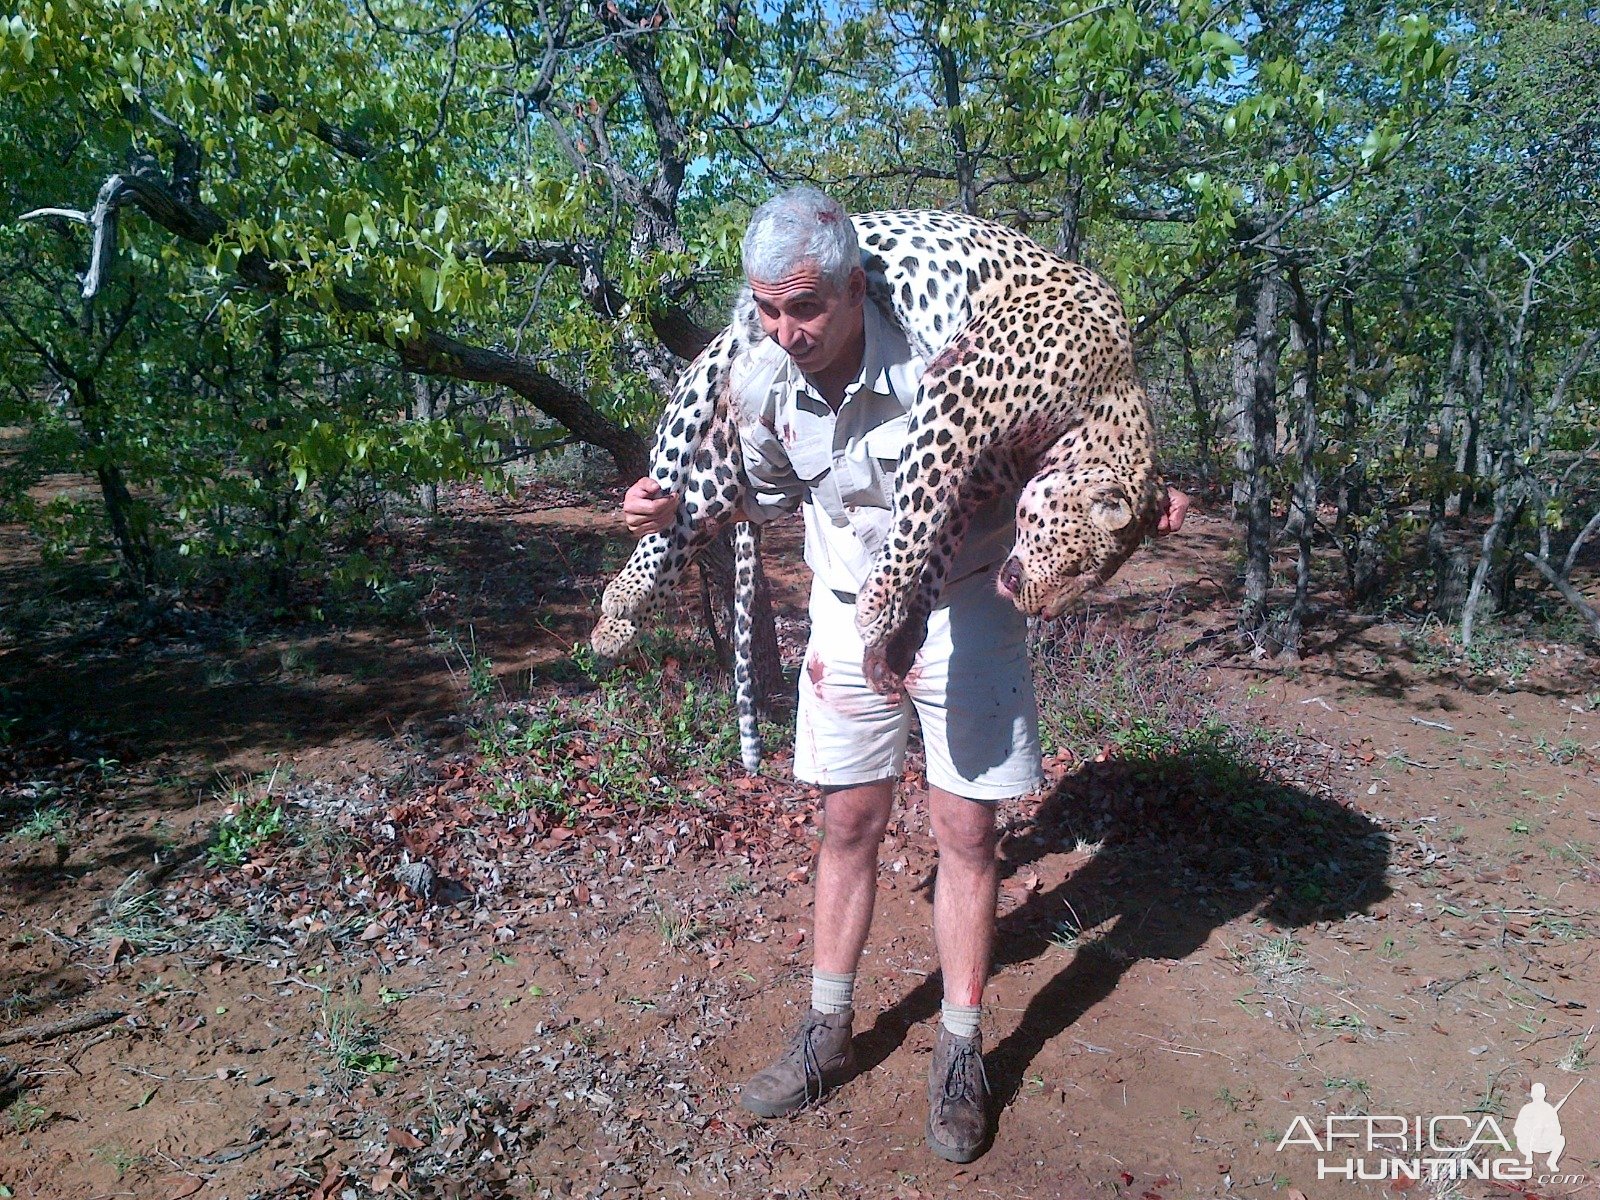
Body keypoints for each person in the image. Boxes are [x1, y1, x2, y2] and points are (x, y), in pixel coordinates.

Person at [622, 187, 1189, 1162]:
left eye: (803, 307)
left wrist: (1134, 496)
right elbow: (754, 492)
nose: (784, 329)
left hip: (967, 606)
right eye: (766, 308)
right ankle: (825, 1030)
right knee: (849, 821)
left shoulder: (952, 346)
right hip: (847, 611)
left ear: (854, 290)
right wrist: (666, 509)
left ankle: (961, 1050)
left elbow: (1084, 430)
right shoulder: (764, 376)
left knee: (967, 831)